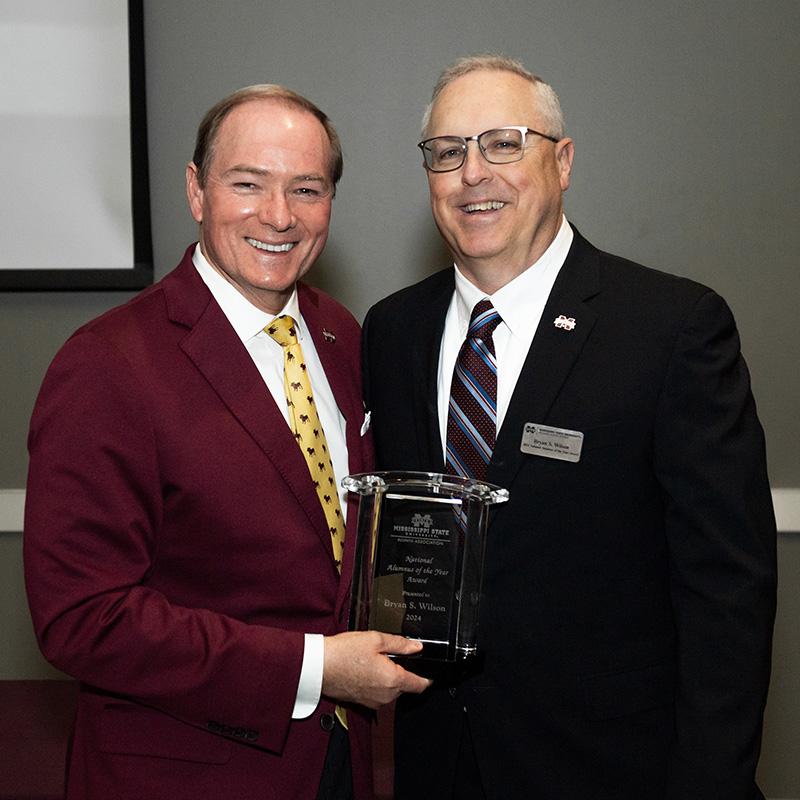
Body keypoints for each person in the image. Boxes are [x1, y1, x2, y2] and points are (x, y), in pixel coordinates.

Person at [363, 55, 777, 799]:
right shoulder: (392, 331)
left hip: (612, 769)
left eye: (502, 143)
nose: (472, 173)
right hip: (438, 763)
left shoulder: (670, 328)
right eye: (448, 152)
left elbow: (727, 595)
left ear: (563, 160)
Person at [24, 84, 429, 800]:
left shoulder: (340, 335)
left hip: (339, 765)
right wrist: (316, 670)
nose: (279, 216)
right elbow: (81, 616)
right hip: (184, 774)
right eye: (249, 184)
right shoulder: (109, 362)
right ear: (196, 191)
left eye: (307, 188)